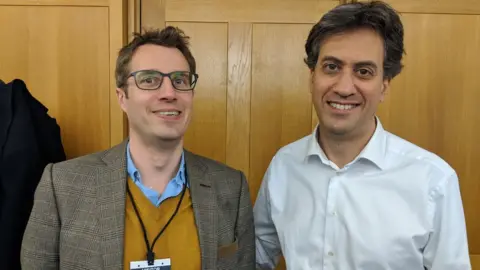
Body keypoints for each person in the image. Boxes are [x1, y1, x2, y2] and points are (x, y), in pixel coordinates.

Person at [254, 1, 471, 269]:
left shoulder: (434, 180)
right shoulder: (283, 165)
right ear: (312, 77)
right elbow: (257, 257)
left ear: (384, 86)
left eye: (364, 71)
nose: (344, 88)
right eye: (332, 67)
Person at [21, 26, 255, 270]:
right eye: (149, 80)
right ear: (122, 97)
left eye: (180, 80)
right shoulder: (63, 185)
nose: (169, 93)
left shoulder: (230, 187)